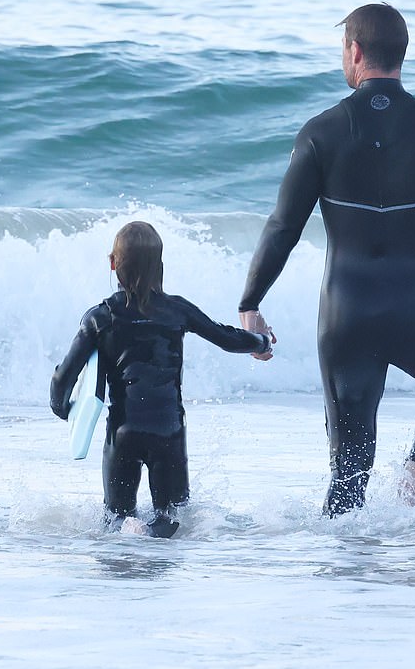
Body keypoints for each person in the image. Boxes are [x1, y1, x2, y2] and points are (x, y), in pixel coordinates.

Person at [239, 3, 415, 516]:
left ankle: (342, 587)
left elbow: (283, 227)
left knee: (349, 476)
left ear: (355, 51)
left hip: (346, 317)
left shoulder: (320, 132)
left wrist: (250, 302)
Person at [50, 221, 273, 537]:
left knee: (116, 522)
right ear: (160, 266)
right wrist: (261, 341)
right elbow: (227, 338)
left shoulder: (100, 317)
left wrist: (64, 409)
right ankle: (157, 569)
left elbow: (64, 377)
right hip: (168, 432)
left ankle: (126, 566)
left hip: (122, 433)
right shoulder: (177, 311)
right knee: (171, 521)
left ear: (113, 264)